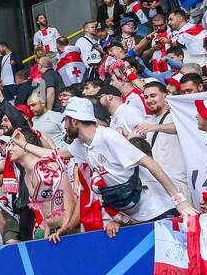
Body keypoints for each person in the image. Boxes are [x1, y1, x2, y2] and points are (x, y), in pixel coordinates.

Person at [56, 97, 195, 234]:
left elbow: (149, 162)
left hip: (159, 210)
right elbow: (55, 154)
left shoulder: (108, 137)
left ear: (74, 120)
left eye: (65, 122)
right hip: (135, 218)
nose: (65, 127)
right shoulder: (82, 145)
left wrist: (179, 201)